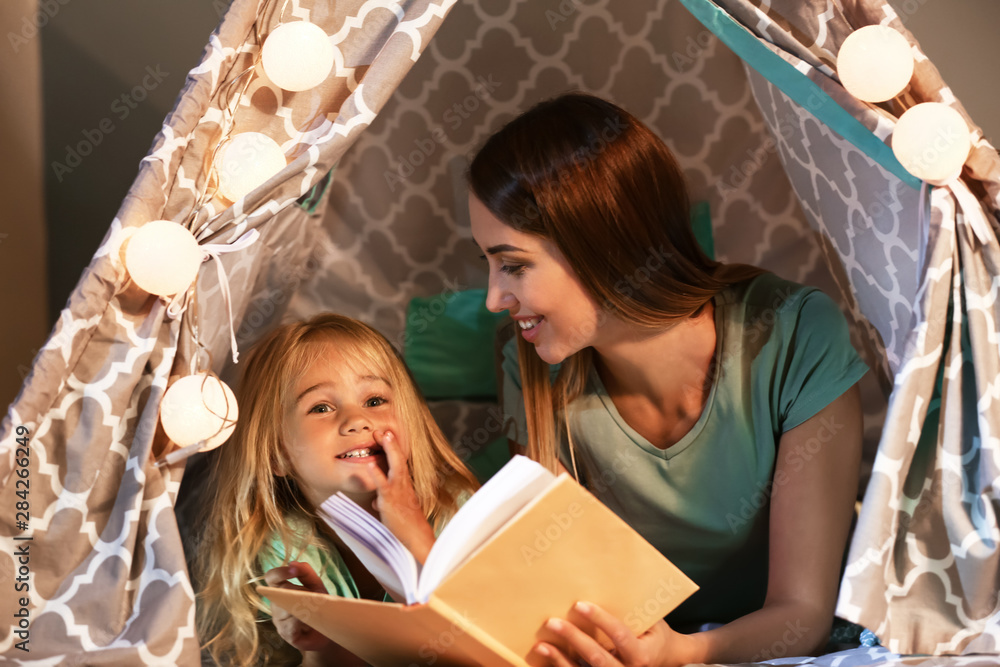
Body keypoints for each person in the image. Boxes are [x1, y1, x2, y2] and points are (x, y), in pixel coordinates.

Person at [467, 92, 868, 667]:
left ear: (601, 245)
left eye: (513, 264)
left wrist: (683, 653)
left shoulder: (794, 331)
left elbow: (802, 616)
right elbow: (564, 589)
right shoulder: (528, 366)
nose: (492, 299)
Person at [195, 314, 479, 666]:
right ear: (277, 455)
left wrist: (416, 537)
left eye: (374, 401)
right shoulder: (283, 550)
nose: (358, 420)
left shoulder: (457, 509)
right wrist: (321, 649)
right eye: (321, 407)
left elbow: (487, 637)